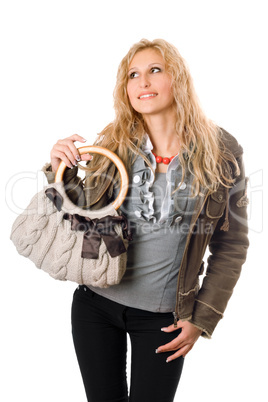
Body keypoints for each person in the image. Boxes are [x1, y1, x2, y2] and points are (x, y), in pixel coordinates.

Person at [42, 38, 249, 402]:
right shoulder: (115, 141)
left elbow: (231, 244)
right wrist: (61, 172)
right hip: (95, 304)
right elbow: (84, 216)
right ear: (126, 89)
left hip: (163, 318)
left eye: (155, 70)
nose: (143, 82)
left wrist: (202, 316)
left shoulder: (222, 151)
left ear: (178, 79)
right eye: (133, 75)